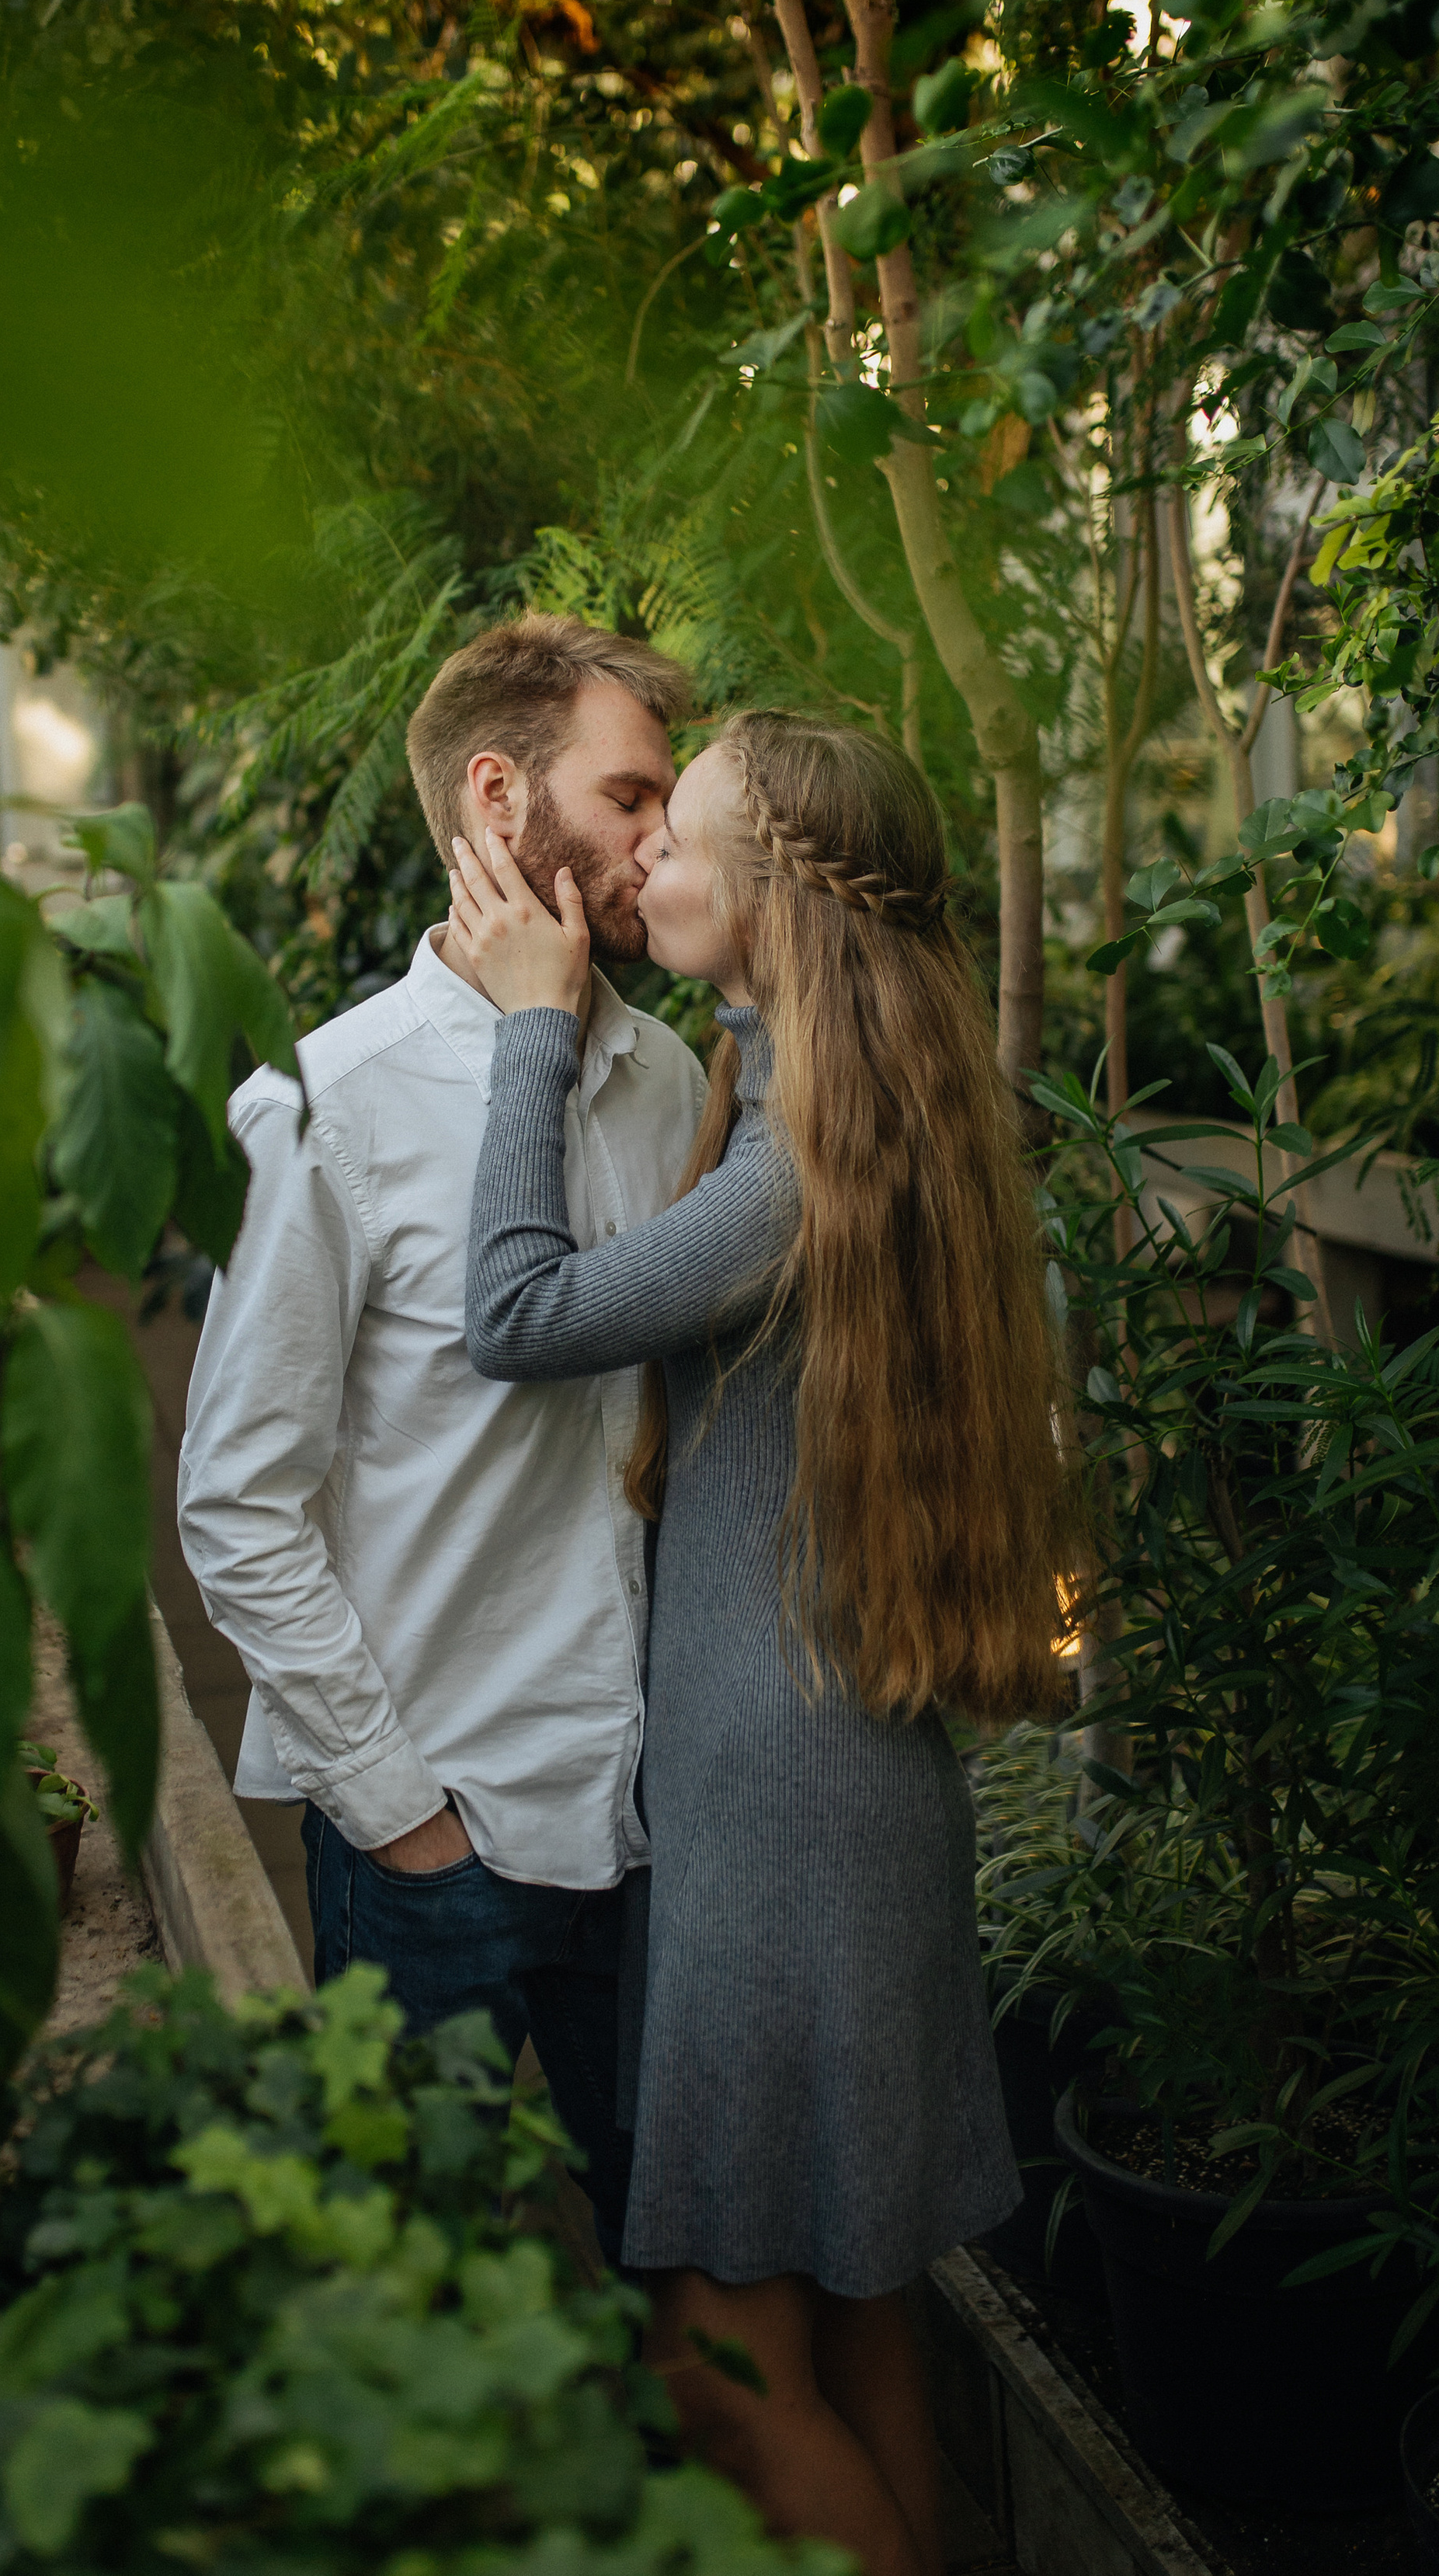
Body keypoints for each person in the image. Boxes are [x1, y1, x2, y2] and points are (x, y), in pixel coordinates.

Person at [448, 708, 1072, 2576]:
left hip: (781, 1816)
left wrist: (526, 1035)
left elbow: (515, 1308)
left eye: (681, 837)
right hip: (840, 1787)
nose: (641, 863)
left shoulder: (795, 1159)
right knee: (857, 2301)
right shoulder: (858, 1096)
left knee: (716, 2369)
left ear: (787, 895)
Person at [176, 613, 706, 2262]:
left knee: (684, 2299)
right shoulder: (324, 1106)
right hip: (436, 1845)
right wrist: (399, 1809)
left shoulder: (671, 1079)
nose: (661, 839)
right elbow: (235, 1506)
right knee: (411, 2309)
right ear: (498, 800)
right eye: (629, 796)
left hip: (653, 1827)